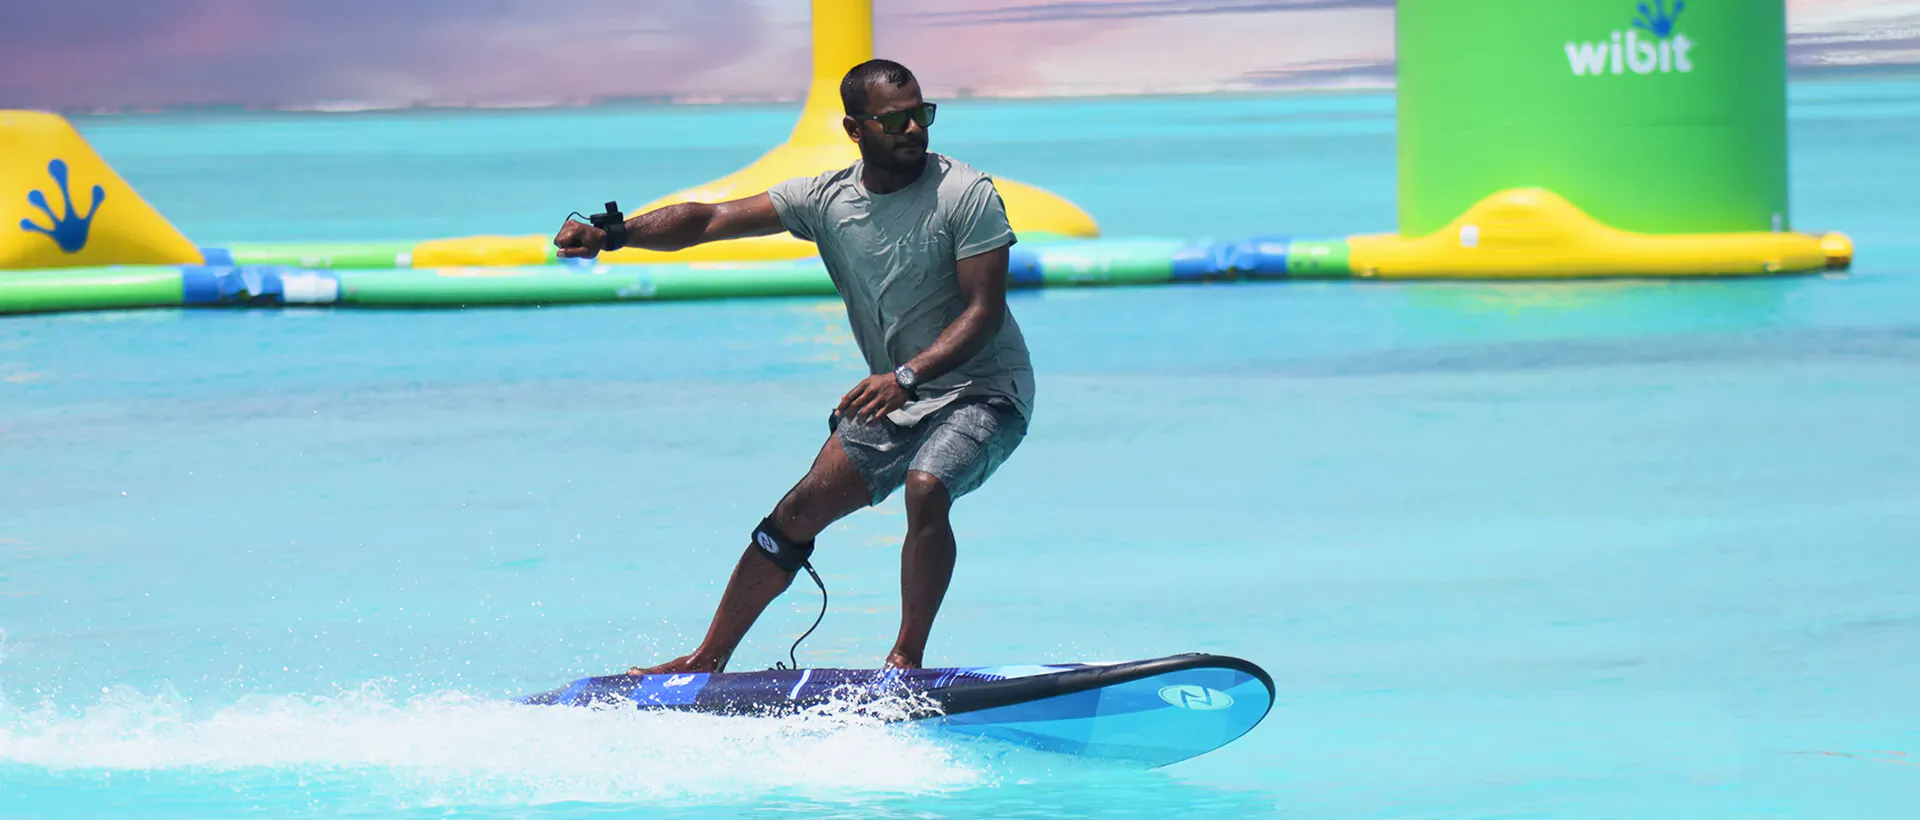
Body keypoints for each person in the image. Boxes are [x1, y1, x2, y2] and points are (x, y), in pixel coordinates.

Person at [552, 59, 1033, 672]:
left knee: (927, 486)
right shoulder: (825, 200)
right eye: (895, 121)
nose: (914, 130)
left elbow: (984, 314)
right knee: (794, 516)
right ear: (855, 130)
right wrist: (615, 235)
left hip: (984, 392)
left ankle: (905, 663)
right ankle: (706, 660)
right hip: (894, 399)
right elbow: (708, 219)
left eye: (922, 115)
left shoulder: (965, 195)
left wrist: (904, 376)